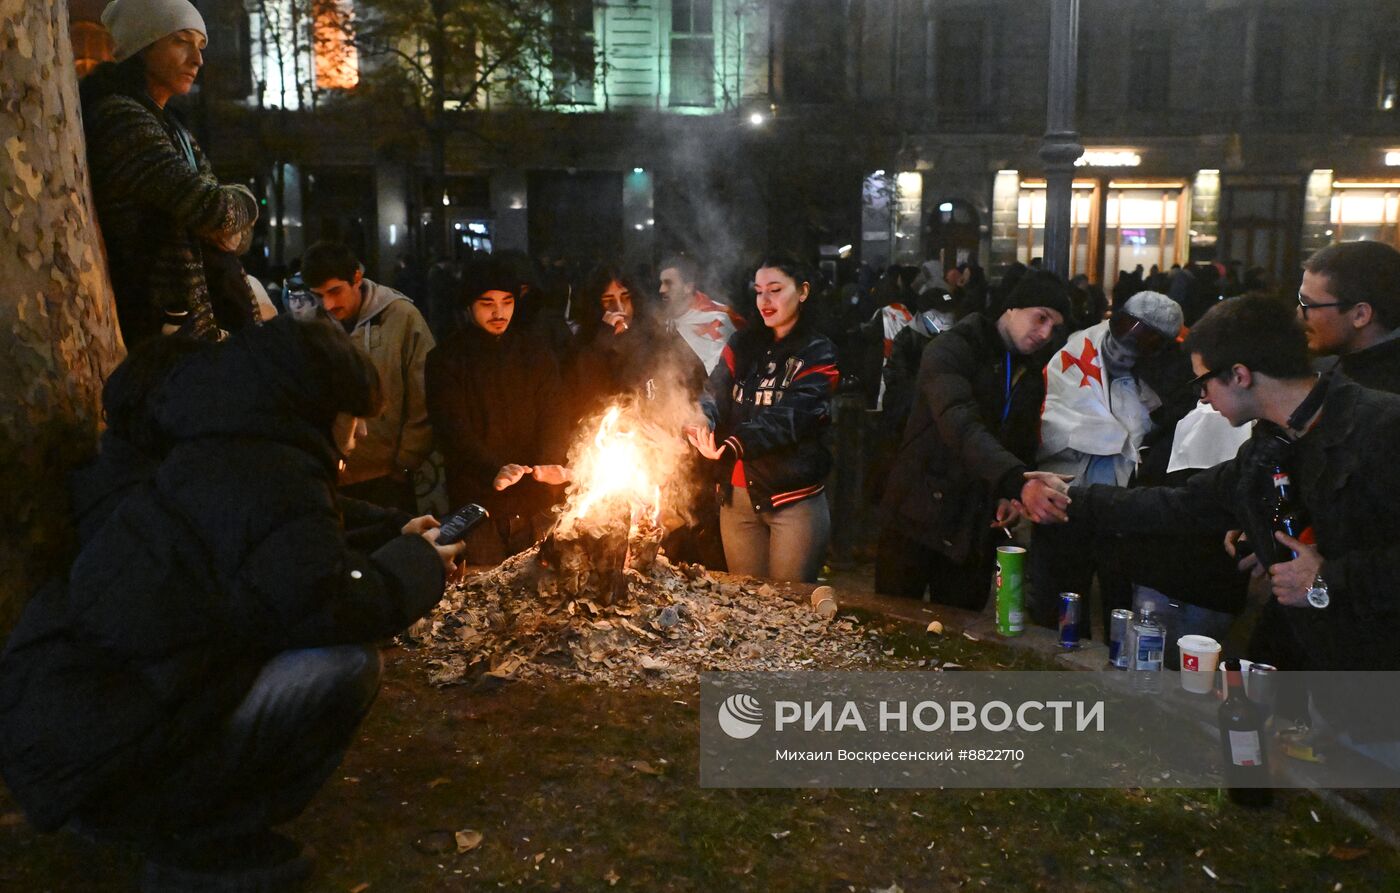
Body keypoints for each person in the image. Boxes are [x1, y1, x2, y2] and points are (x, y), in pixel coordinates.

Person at [0, 317, 463, 891]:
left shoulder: (229, 456)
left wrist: (395, 539)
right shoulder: (267, 476)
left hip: (78, 744)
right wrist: (420, 563)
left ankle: (189, 823)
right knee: (345, 666)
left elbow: (294, 551)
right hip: (106, 765)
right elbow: (329, 600)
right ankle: (199, 841)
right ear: (319, 406)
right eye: (356, 417)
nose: (361, 435)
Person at [1027, 295, 1400, 763]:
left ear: (1239, 375)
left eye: (1205, 382)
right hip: (1327, 679)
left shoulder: (1382, 427)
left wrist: (1327, 578)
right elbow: (1186, 502)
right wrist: (1071, 499)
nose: (1202, 396)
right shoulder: (1275, 441)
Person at [876, 271, 1071, 608]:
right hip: (916, 512)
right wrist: (1017, 481)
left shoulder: (1030, 371)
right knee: (894, 624)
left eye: (1054, 326)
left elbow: (1021, 441)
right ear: (1012, 308)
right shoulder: (951, 348)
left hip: (974, 524)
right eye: (1040, 317)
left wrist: (1011, 497)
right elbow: (959, 423)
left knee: (960, 637)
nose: (1045, 333)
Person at [81, 0, 260, 346]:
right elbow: (217, 212)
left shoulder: (171, 127)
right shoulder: (123, 120)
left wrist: (228, 218)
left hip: (195, 332)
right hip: (164, 334)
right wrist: (247, 201)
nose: (197, 59)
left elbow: (232, 230)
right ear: (142, 45)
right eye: (181, 41)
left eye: (201, 46)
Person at [1027, 291, 1186, 634]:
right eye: (1127, 326)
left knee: (1122, 600)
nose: (1128, 340)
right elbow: (1051, 411)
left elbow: (1172, 421)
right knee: (1058, 596)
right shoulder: (1075, 349)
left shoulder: (1169, 371)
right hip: (1066, 491)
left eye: (1145, 335)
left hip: (1125, 503)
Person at [686, 254, 840, 583]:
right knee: (748, 606)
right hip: (736, 500)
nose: (765, 301)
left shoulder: (818, 351)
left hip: (791, 498)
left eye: (775, 289)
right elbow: (715, 391)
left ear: (803, 291)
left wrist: (733, 444)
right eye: (758, 291)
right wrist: (703, 419)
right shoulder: (742, 343)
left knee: (788, 608)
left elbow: (793, 417)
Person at [425, 261, 571, 565]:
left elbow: (555, 413)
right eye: (487, 303)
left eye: (507, 302)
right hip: (477, 504)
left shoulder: (536, 352)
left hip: (535, 500)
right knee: (484, 594)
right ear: (469, 305)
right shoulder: (446, 359)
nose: (499, 312)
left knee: (543, 589)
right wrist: (493, 468)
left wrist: (550, 461)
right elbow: (451, 431)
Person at [304, 240, 435, 514]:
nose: (328, 304)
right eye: (318, 295)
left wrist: (406, 461)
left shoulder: (401, 317)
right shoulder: (311, 324)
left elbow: (424, 391)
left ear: (356, 278)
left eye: (335, 291)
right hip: (334, 475)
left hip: (389, 474)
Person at [1297, 240, 1400, 392]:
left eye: (1309, 304)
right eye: (1300, 300)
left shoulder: (1382, 401)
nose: (1299, 313)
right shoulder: (1331, 366)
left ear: (1360, 315)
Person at [658, 254, 746, 374]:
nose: (661, 289)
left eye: (669, 283)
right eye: (661, 283)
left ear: (688, 287)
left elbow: (731, 374)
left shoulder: (716, 319)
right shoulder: (664, 320)